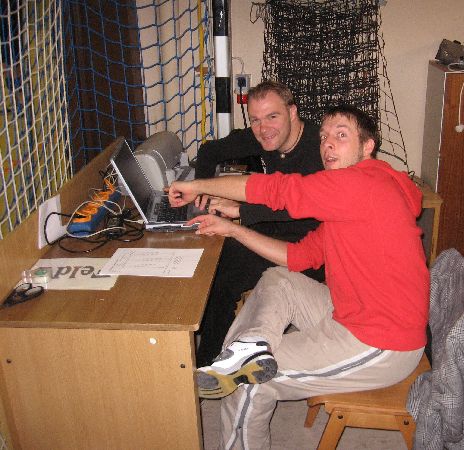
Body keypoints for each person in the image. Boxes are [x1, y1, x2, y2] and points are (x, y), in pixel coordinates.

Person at [168, 105, 429, 449]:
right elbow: (299, 257)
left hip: (381, 342)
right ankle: (249, 350)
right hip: (352, 311)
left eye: (341, 135)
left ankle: (242, 366)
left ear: (368, 147)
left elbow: (279, 190)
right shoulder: (356, 194)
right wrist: (233, 229)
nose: (328, 144)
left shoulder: (362, 185)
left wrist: (197, 185)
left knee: (248, 383)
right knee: (280, 279)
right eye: (324, 137)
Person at [192, 80, 324, 366]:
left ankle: (207, 363)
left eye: (272, 116)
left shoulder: (320, 148)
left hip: (309, 246)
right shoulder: (263, 136)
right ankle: (211, 349)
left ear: (292, 112)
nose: (264, 128)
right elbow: (209, 151)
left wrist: (243, 210)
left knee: (223, 277)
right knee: (210, 254)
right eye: (255, 120)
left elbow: (308, 206)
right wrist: (202, 187)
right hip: (270, 229)